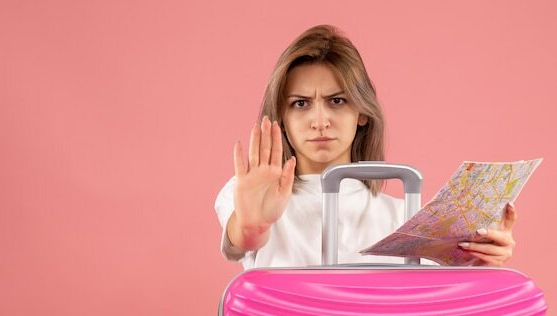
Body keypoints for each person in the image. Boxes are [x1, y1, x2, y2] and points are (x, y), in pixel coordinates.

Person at [214, 24, 516, 269]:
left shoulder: (406, 219)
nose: (320, 121)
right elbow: (240, 242)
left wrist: (479, 259)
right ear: (282, 116)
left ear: (361, 112)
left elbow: (436, 305)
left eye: (336, 101)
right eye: (301, 103)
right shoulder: (250, 195)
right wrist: (251, 226)